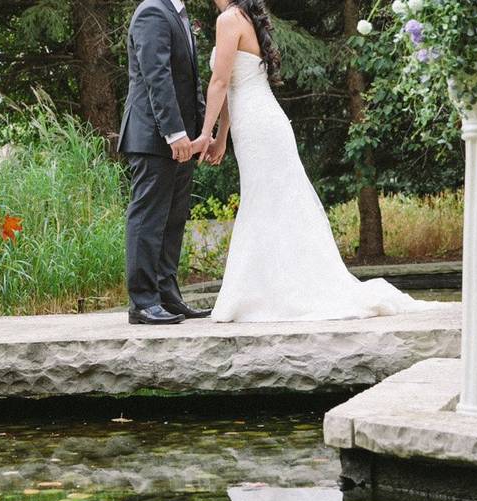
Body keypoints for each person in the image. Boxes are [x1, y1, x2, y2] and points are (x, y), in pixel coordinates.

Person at [192, 0, 439, 322]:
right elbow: (229, 87)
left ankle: (274, 293)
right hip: (256, 123)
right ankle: (267, 289)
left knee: (267, 202)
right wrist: (220, 136)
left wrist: (203, 134)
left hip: (258, 125)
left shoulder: (229, 18)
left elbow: (220, 83)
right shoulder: (242, 17)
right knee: (269, 202)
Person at [118, 0, 213, 325]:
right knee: (148, 218)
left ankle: (166, 295)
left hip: (183, 137)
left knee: (173, 218)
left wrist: (202, 132)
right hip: (154, 136)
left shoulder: (180, 15)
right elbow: (156, 76)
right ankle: (142, 302)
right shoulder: (152, 11)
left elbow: (190, 81)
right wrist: (174, 133)